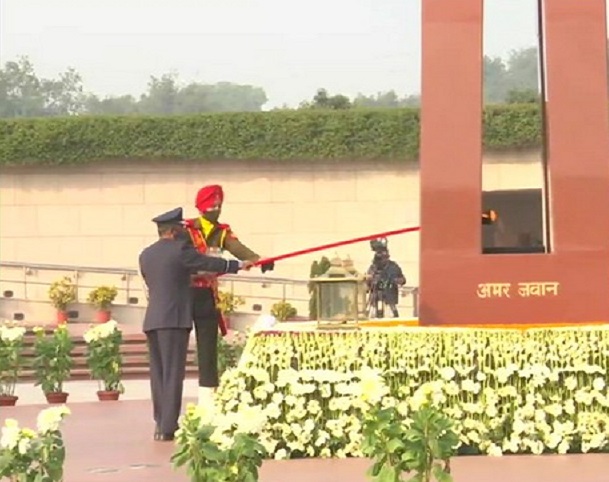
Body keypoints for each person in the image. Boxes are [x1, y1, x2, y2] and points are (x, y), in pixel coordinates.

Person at [139, 206, 254, 441]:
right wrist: (237, 265)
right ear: (172, 231)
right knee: (173, 373)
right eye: (180, 228)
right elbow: (205, 262)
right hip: (175, 319)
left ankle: (160, 422)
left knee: (159, 374)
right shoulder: (179, 250)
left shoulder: (146, 254)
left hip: (153, 319)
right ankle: (169, 426)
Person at [183, 184, 275, 407]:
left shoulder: (222, 232)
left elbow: (239, 249)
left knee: (208, 346)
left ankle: (208, 397)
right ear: (201, 207)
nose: (216, 208)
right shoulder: (186, 230)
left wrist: (258, 259)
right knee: (178, 345)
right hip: (183, 293)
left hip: (206, 294)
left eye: (219, 205)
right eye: (212, 205)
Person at [366, 247, 406, 318]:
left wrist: (396, 280)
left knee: (393, 315)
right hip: (375, 297)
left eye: (384, 258)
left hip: (390, 297)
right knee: (373, 314)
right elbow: (368, 283)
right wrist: (370, 279)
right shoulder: (373, 267)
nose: (382, 261)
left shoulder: (393, 267)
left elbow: (403, 280)